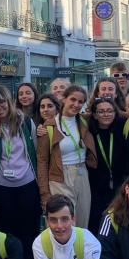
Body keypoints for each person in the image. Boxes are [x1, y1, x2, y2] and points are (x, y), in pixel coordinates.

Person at [0, 86, 39, 259]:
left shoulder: (26, 122)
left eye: (2, 102)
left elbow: (35, 151)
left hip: (27, 185)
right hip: (1, 188)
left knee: (28, 232)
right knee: (5, 233)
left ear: (9, 102)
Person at [35, 86, 97, 227]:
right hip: (60, 177)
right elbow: (42, 161)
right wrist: (44, 193)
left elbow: (117, 113)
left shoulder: (84, 121)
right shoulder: (49, 126)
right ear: (64, 99)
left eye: (80, 102)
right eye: (73, 99)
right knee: (64, 223)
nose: (76, 104)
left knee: (82, 222)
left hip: (82, 174)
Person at [86, 96, 120, 233]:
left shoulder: (121, 129)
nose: (106, 114)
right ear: (94, 115)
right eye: (101, 111)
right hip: (95, 186)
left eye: (109, 111)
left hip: (118, 186)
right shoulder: (87, 131)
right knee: (96, 222)